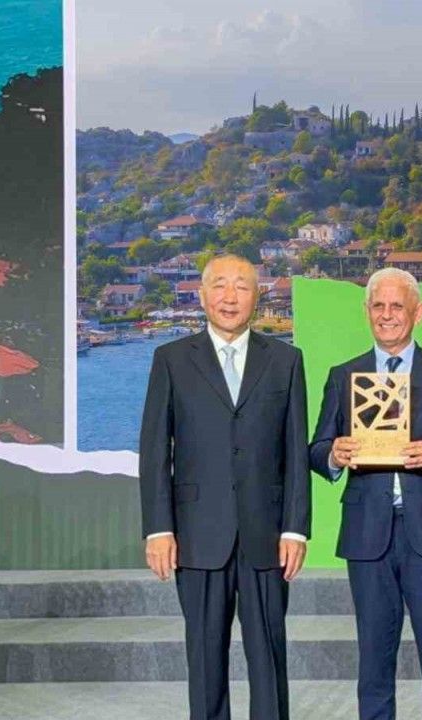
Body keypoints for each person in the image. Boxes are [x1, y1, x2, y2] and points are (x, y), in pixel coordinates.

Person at [139, 254, 310, 720]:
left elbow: (295, 451)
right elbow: (155, 450)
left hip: (267, 536)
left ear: (258, 296)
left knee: (268, 656)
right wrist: (159, 529)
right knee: (204, 658)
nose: (229, 297)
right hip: (196, 535)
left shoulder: (286, 360)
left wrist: (295, 529)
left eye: (241, 286)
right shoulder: (171, 359)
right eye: (219, 285)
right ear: (202, 295)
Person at [309, 268, 422, 720]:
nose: (387, 315)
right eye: (378, 306)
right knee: (373, 656)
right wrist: (334, 454)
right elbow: (316, 448)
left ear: (418, 313)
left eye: (397, 306)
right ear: (367, 311)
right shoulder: (342, 375)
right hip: (367, 533)